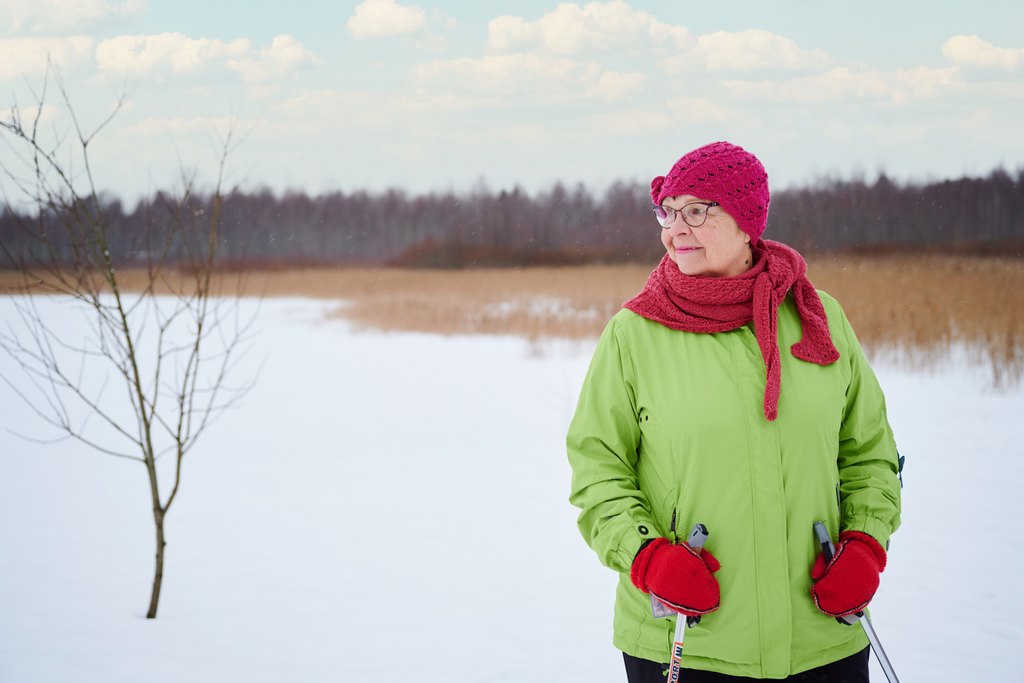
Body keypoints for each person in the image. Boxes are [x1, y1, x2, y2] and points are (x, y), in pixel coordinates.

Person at [566, 141, 902, 681]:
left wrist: (864, 545)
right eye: (667, 210)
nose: (677, 227)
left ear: (747, 222)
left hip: (823, 638)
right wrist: (649, 558)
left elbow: (868, 453)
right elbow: (597, 471)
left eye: (697, 210)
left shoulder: (819, 318)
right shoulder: (635, 333)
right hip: (686, 639)